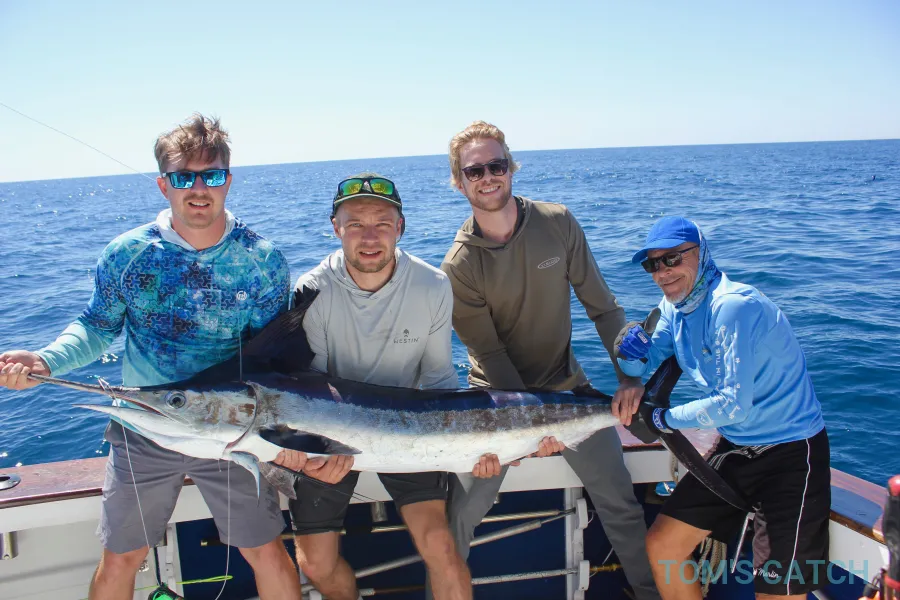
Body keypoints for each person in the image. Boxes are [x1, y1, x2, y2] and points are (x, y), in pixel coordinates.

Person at [0, 114, 301, 600]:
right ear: (164, 184)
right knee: (121, 558)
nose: (198, 189)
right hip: (146, 426)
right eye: (184, 177)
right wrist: (46, 361)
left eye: (212, 175)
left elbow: (273, 363)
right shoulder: (128, 254)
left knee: (267, 552)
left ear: (228, 180)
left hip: (232, 431)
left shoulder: (262, 260)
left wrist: (285, 434)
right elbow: (97, 326)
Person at [438, 120, 661, 600]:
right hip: (495, 404)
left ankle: (650, 594)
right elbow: (490, 353)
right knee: (460, 514)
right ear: (459, 182)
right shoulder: (458, 266)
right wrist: (531, 427)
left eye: (496, 165)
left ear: (511, 167)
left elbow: (604, 309)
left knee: (621, 504)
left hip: (567, 390)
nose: (488, 177)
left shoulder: (557, 222)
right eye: (474, 171)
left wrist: (628, 378)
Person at [273, 173, 472, 600]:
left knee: (440, 545)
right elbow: (311, 388)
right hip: (331, 435)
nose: (369, 237)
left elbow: (439, 379)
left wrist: (470, 447)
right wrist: (313, 456)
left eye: (382, 223)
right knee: (315, 564)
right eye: (355, 224)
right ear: (335, 228)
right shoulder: (312, 289)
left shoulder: (433, 285)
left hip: (410, 427)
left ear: (400, 227)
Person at [617, 216, 830, 600]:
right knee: (662, 546)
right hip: (736, 448)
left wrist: (664, 418)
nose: (663, 273)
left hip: (791, 455)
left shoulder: (732, 307)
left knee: (777, 591)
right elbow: (644, 364)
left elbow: (732, 405)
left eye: (672, 259)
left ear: (701, 254)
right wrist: (628, 354)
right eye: (653, 264)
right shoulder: (673, 307)